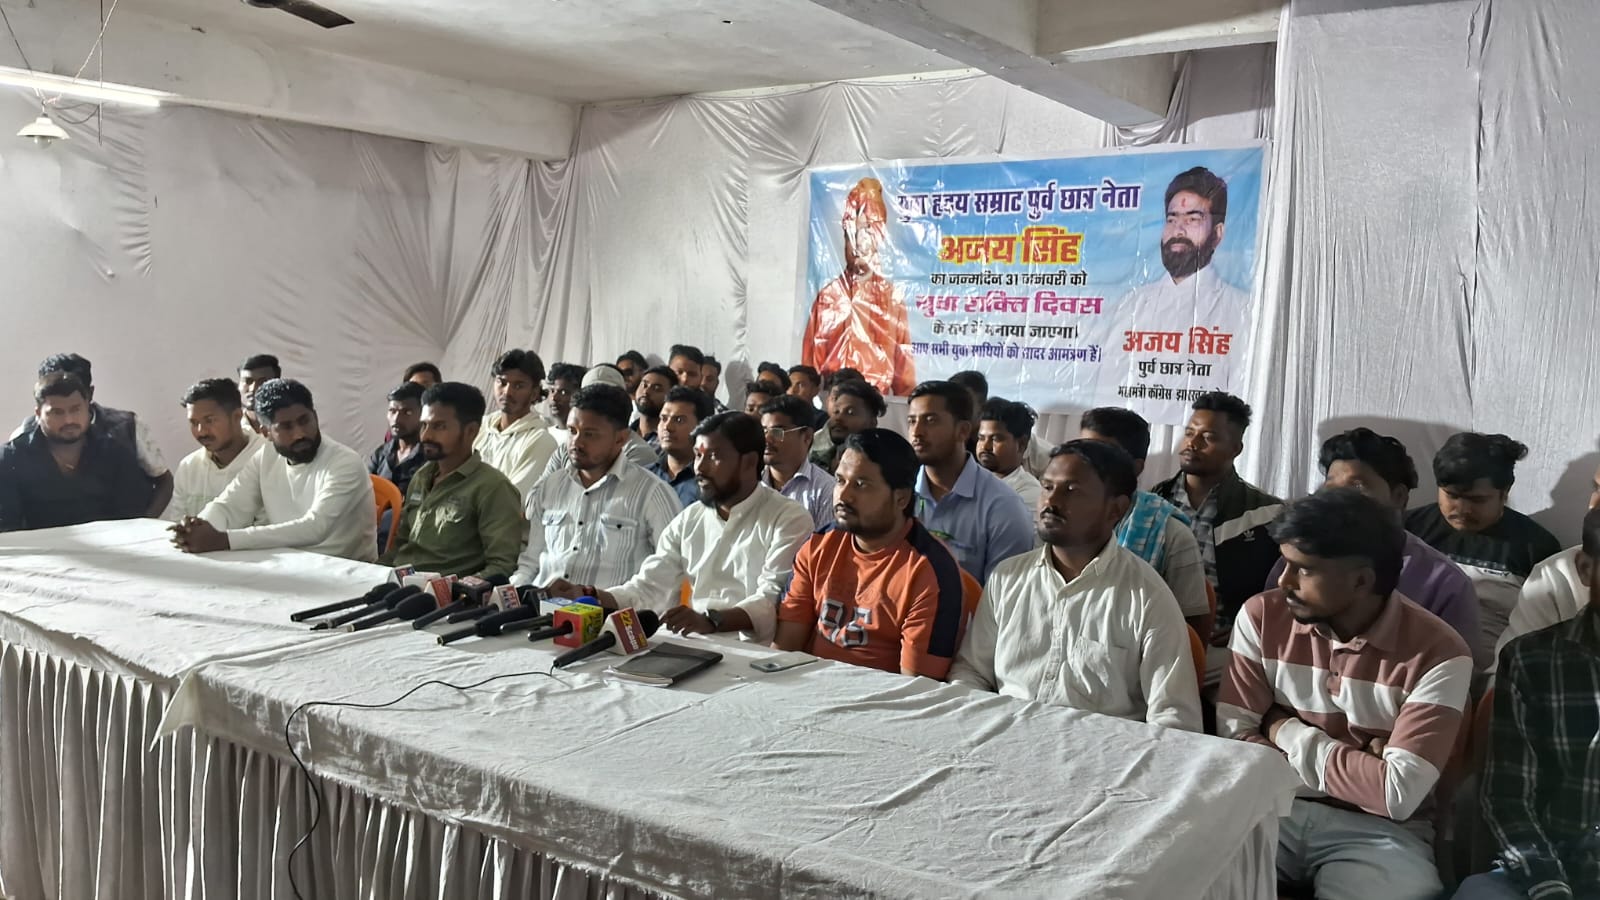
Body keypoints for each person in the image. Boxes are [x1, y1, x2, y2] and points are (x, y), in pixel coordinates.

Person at [1218, 489, 1471, 900]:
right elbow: (1234, 746)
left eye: (1303, 570)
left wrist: (1281, 728)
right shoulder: (1262, 617)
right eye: (1284, 562)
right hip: (1268, 809)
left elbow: (1396, 795)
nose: (1283, 581)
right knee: (1182, 867)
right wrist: (1361, 766)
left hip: (1382, 833)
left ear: (1361, 581)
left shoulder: (1439, 653)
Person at [950, 440, 1201, 731]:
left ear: (1116, 509)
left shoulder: (1147, 597)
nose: (1051, 502)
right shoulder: (1008, 577)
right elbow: (971, 671)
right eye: (1047, 487)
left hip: (1102, 749)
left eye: (1071, 490)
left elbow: (1174, 719)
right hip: (1005, 733)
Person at [546, 412, 813, 644]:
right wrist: (588, 594)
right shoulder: (691, 518)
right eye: (698, 455)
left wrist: (711, 621)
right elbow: (648, 587)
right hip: (697, 643)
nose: (700, 468)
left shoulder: (788, 518)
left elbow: (771, 599)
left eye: (714, 456)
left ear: (749, 462)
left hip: (757, 654)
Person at [1461, 506, 1600, 900]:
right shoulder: (1532, 660)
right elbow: (1509, 797)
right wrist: (1548, 886)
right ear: (1586, 569)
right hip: (1548, 862)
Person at [1266, 428, 1481, 661]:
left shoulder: (1444, 583)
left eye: (1357, 486)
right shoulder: (1294, 562)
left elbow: (1459, 668)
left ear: (1398, 496)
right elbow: (1271, 635)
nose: (1338, 498)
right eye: (1330, 485)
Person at [776, 429, 972, 678]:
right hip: (808, 686)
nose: (843, 495)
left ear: (901, 499)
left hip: (884, 697)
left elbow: (918, 687)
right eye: (840, 481)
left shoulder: (930, 571)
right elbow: (785, 651)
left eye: (861, 485)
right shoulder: (819, 544)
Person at [171, 379, 376, 561]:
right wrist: (196, 528)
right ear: (265, 432)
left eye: (304, 421)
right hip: (287, 565)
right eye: (286, 427)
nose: (299, 434)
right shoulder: (266, 456)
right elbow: (229, 506)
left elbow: (315, 528)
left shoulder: (344, 462)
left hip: (347, 572)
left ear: (315, 416)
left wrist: (224, 540)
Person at [1406, 432, 1562, 665]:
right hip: (1411, 664)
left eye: (1477, 500)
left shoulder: (1535, 546)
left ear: (1504, 493)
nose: (1462, 509)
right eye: (1452, 495)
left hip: (1493, 672)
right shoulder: (1410, 530)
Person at [1151, 392, 1283, 660]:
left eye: (1208, 437)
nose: (1192, 443)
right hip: (1154, 636)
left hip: (1224, 646)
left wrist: (1252, 625)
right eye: (1189, 433)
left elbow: (1283, 588)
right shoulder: (1154, 501)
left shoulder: (1266, 512)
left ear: (1236, 448)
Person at [512, 384, 681, 590]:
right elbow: (531, 563)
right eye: (572, 431)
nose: (576, 442)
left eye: (589, 434)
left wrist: (612, 601)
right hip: (542, 605)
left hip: (608, 608)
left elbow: (670, 571)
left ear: (621, 438)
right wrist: (513, 592)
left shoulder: (652, 493)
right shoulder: (550, 486)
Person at [1078, 407, 1212, 636]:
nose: (1088, 463)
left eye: (1104, 454)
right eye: (1083, 451)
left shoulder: (1171, 534)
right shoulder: (1061, 521)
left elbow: (1191, 631)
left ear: (1136, 467)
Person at [1115, 167, 1250, 387]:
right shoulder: (1132, 304)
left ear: (1217, 234)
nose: (1178, 230)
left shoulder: (1241, 309)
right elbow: (1109, 387)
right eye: (1171, 219)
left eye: (1193, 219)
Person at [380, 383, 523, 579]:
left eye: (439, 426)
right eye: (424, 425)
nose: (426, 435)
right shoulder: (422, 476)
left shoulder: (493, 488)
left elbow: (501, 566)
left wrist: (456, 590)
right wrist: (373, 574)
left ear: (471, 431)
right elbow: (400, 545)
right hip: (398, 581)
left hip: (439, 593)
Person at [13, 353, 172, 517]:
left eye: (73, 392)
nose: (68, 419)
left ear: (89, 393)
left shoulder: (126, 428)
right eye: (54, 388)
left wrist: (144, 524)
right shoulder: (23, 438)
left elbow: (164, 481)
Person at [907, 381, 1034, 584]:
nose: (917, 432)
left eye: (930, 421)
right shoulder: (896, 492)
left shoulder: (1004, 508)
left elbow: (1002, 597)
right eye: (912, 421)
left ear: (963, 431)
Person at [801, 177, 916, 397]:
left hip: (877, 406)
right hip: (831, 404)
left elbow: (905, 382)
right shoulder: (828, 297)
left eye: (865, 232)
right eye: (850, 234)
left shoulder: (892, 300)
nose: (856, 243)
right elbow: (808, 371)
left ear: (879, 237)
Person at [0, 374, 151, 531]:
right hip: (39, 545)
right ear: (38, 414)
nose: (69, 420)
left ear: (88, 408)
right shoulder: (11, 458)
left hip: (110, 543)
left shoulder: (115, 452)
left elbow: (131, 519)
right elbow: (7, 528)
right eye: (57, 412)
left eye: (76, 409)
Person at [1491, 462, 1600, 671]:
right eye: (1597, 489)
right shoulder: (1554, 578)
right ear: (1584, 569)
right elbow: (1504, 675)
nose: (1594, 506)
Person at [163, 378, 264, 521]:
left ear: (237, 416)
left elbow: (268, 526)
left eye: (209, 420)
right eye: (194, 423)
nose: (201, 431)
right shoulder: (189, 467)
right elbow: (178, 523)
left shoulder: (267, 460)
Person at [474, 349, 558, 498]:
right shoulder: (479, 426)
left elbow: (511, 499)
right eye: (502, 383)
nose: (507, 392)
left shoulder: (541, 441)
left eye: (518, 386)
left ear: (534, 393)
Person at [759, 395, 836, 532]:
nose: (767, 439)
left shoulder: (826, 490)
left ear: (807, 437)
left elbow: (824, 544)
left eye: (777, 432)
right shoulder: (750, 482)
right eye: (763, 431)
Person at [649, 386, 714, 508]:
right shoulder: (645, 475)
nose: (667, 427)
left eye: (679, 420)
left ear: (702, 426)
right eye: (663, 419)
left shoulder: (712, 483)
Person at [975, 398, 1042, 510]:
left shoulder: (1028, 492)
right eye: (981, 438)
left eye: (995, 439)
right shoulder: (969, 479)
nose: (985, 446)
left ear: (1021, 444)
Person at [810, 378, 885, 475]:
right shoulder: (815, 455)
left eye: (850, 412)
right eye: (836, 411)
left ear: (872, 422)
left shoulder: (882, 466)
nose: (838, 418)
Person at [368, 382, 427, 496]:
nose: (396, 419)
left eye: (407, 412)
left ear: (423, 414)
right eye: (392, 411)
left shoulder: (430, 457)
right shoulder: (381, 454)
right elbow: (365, 490)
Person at [238, 354, 282, 435]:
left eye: (262, 382)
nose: (253, 389)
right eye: (247, 381)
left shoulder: (291, 426)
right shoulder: (229, 429)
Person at [632, 365, 676, 447]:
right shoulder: (623, 433)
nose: (646, 391)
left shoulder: (669, 441)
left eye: (656, 388)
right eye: (644, 385)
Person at [541, 363, 586, 432]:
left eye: (563, 392)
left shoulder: (584, 436)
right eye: (552, 391)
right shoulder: (544, 433)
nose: (554, 398)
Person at [786, 364, 826, 428]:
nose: (792, 390)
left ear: (815, 390)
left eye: (800, 385)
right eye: (789, 385)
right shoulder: (780, 416)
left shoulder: (821, 419)